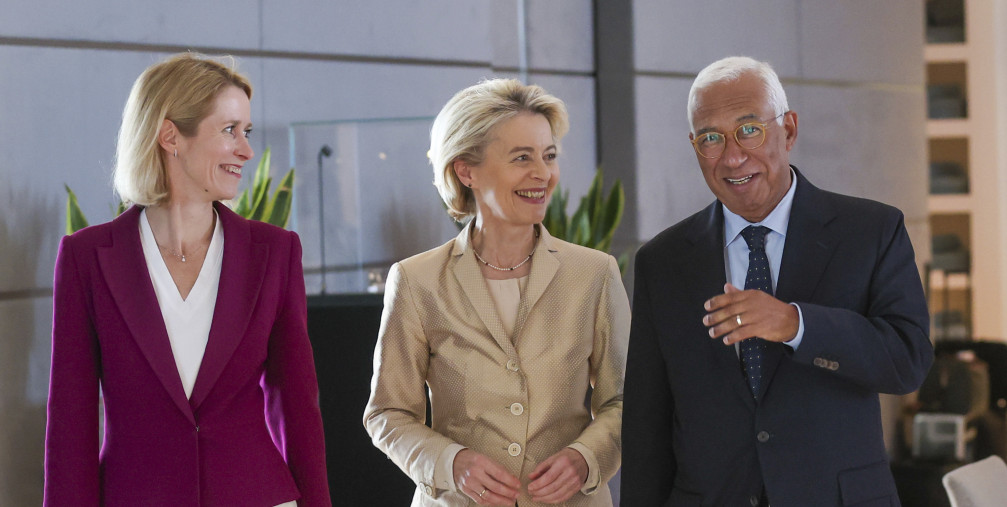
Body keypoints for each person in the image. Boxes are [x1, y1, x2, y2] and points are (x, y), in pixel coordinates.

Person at [621, 56, 934, 506]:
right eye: (711, 138)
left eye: (750, 130)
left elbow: (908, 360)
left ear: (788, 129)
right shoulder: (663, 262)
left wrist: (796, 324)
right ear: (695, 147)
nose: (732, 156)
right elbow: (647, 423)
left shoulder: (871, 231)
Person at [44, 53, 330, 506]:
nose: (247, 150)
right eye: (229, 130)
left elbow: (297, 410)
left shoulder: (275, 253)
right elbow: (70, 422)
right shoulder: (87, 259)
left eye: (247, 132)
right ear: (171, 135)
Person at [364, 78, 630, 506]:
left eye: (548, 156)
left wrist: (586, 458)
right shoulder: (417, 281)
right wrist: (451, 463)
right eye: (521, 157)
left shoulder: (594, 274)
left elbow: (625, 398)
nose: (542, 173)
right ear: (465, 169)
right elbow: (388, 414)